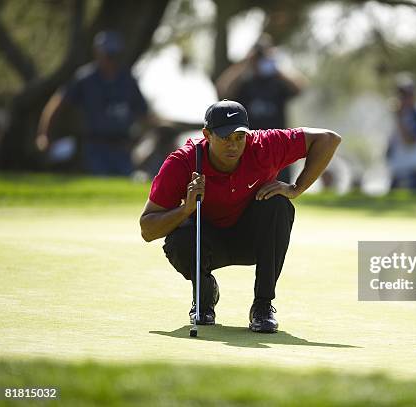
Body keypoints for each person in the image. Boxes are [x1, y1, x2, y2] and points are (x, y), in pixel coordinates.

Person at [139, 100, 341, 333]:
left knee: (278, 204)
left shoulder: (265, 145)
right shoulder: (183, 163)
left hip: (252, 240)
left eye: (239, 137)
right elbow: (147, 230)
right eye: (225, 138)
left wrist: (296, 188)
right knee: (179, 240)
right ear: (207, 134)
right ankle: (204, 297)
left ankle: (263, 307)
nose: (233, 146)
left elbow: (328, 139)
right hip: (207, 242)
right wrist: (186, 209)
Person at [37, 31, 150, 175]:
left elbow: (144, 115)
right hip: (94, 149)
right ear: (97, 53)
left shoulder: (128, 81)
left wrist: (139, 142)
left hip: (122, 148)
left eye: (114, 55)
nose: (111, 60)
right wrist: (44, 135)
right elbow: (57, 104)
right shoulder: (85, 79)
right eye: (108, 55)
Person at [215, 33, 305, 184]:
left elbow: (300, 87)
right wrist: (245, 63)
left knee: (280, 190)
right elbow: (222, 90)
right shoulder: (244, 83)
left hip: (278, 146)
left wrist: (275, 65)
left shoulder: (277, 82)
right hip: (250, 147)